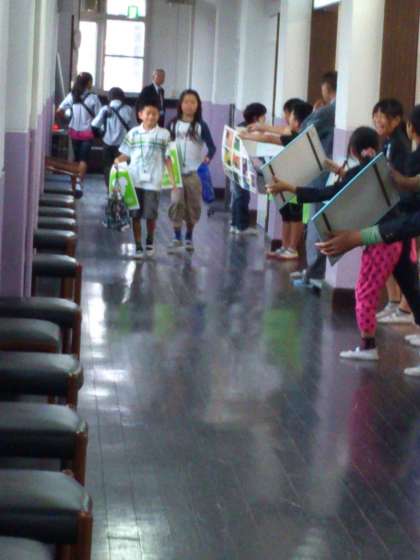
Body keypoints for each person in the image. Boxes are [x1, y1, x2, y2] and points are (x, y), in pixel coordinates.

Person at [268, 127, 406, 360]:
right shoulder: (381, 170)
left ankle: (368, 346)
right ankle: (372, 341)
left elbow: (326, 193)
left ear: (353, 151)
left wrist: (289, 187)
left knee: (364, 292)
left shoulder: (359, 174)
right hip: (394, 239)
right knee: (406, 289)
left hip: (381, 242)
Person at [290, 71, 337, 287]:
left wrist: (316, 111)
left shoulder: (328, 111)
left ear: (326, 88)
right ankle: (313, 271)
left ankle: (313, 273)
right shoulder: (337, 110)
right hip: (328, 175)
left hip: (321, 175)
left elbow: (303, 129)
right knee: (318, 223)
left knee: (316, 223)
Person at [115, 99, 176, 259]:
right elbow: (126, 154)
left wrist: (173, 180)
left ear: (158, 116)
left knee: (150, 215)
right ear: (140, 115)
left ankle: (149, 240)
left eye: (154, 114)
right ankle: (138, 245)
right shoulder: (133, 133)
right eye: (148, 113)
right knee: (135, 215)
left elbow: (168, 158)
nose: (151, 116)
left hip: (153, 182)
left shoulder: (164, 134)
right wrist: (117, 161)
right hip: (134, 180)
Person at [372, 99, 412, 324]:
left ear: (397, 120)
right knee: (392, 259)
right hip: (390, 209)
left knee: (404, 260)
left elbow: (399, 181)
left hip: (401, 212)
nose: (378, 120)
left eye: (383, 116)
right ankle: (394, 302)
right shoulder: (389, 142)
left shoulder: (399, 144)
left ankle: (405, 308)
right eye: (376, 115)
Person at [167, 89, 216, 253]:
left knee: (193, 206)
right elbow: (165, 145)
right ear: (180, 104)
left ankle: (189, 235)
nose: (189, 105)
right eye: (186, 102)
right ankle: (176, 237)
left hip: (194, 173)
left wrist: (207, 159)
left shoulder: (201, 125)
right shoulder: (173, 124)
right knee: (176, 203)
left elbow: (212, 147)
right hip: (176, 173)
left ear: (198, 105)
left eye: (193, 102)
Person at [265, 101, 313, 260]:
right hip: (286, 180)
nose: (287, 118)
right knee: (286, 214)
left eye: (290, 115)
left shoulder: (299, 138)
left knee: (296, 216)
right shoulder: (293, 134)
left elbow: (270, 138)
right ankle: (285, 246)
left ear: (298, 121)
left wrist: (247, 135)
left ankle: (292, 248)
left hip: (298, 182)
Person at [57, 72, 101, 197]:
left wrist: (67, 121)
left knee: (76, 158)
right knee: (83, 159)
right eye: (91, 81)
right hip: (87, 133)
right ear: (88, 83)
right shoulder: (93, 98)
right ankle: (78, 185)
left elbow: (59, 111)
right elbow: (99, 116)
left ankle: (74, 184)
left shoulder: (72, 96)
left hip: (74, 132)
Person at [230, 102, 267, 235]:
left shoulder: (240, 127)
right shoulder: (249, 130)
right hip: (242, 167)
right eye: (263, 116)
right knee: (242, 196)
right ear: (256, 117)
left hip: (235, 166)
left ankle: (235, 224)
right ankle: (242, 227)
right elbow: (254, 150)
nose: (265, 119)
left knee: (237, 196)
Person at [91, 87, 137, 190]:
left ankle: (110, 190)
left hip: (107, 143)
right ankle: (121, 190)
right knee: (122, 168)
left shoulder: (105, 109)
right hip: (123, 145)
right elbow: (134, 128)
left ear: (109, 97)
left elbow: (94, 124)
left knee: (108, 167)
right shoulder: (128, 109)